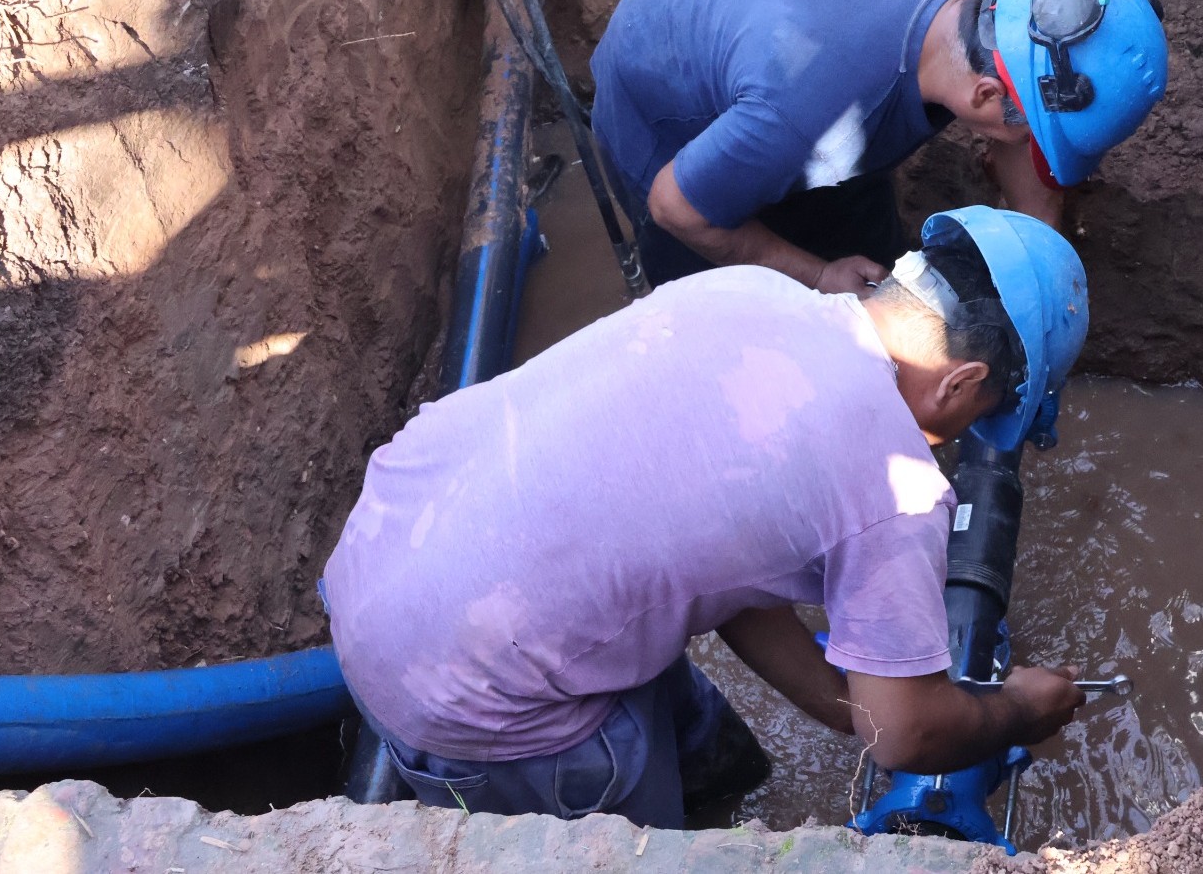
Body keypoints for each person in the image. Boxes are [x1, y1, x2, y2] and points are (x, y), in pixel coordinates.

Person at [322, 206, 1092, 828]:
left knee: (722, 759)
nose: (956, 444)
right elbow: (907, 734)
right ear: (961, 382)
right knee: (650, 848)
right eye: (978, 418)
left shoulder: (754, 293)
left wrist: (850, 700)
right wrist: (1017, 710)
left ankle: (701, 771)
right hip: (468, 700)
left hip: (383, 548)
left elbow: (727, 566)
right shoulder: (895, 491)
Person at [588, 0, 1167, 291]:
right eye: (1035, 135)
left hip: (772, 49)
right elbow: (679, 208)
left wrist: (1033, 256)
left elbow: (1026, 122)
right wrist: (818, 276)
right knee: (734, 343)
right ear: (986, 97)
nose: (1035, 149)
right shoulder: (808, 113)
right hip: (667, 113)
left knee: (879, 278)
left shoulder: (1014, 2)